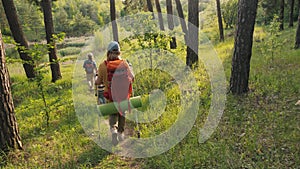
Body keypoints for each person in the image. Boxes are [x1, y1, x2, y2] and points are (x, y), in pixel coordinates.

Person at [95, 41, 134, 146]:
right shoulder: (125, 64)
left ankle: (114, 130)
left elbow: (98, 82)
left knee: (112, 116)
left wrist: (96, 78)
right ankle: (121, 133)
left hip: (111, 98)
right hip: (123, 96)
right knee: (122, 113)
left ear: (108, 53)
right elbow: (132, 78)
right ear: (119, 52)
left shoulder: (103, 66)